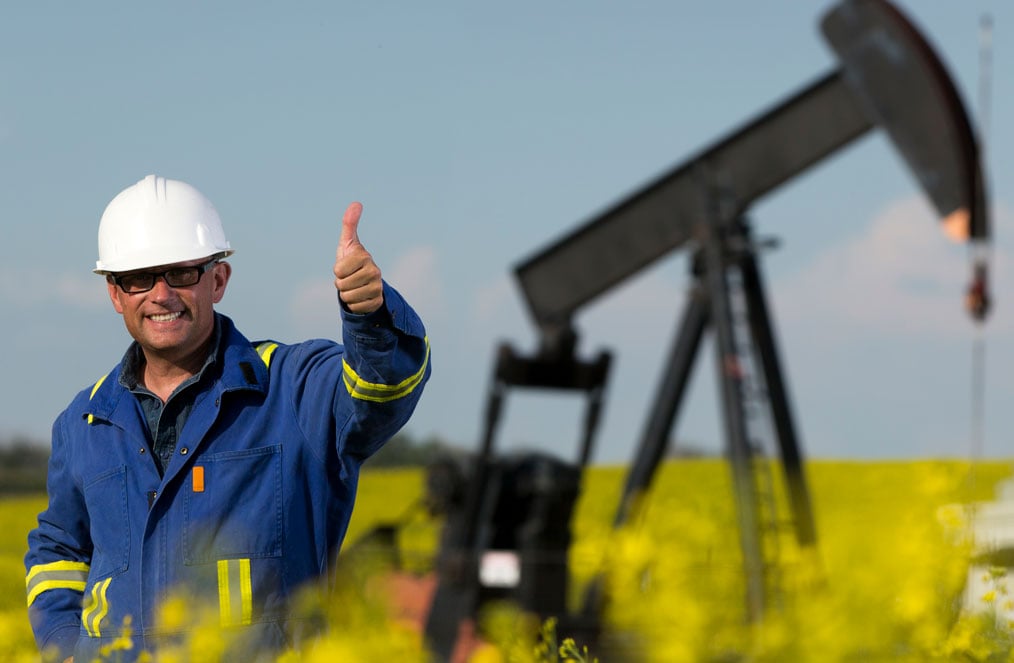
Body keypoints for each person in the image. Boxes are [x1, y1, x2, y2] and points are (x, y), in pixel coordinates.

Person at [24, 174, 431, 662]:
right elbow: (58, 551)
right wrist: (67, 647)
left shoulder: (293, 388)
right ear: (115, 295)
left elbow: (384, 391)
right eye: (138, 277)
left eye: (181, 273)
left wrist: (370, 314)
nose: (160, 294)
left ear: (218, 281)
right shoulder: (84, 422)